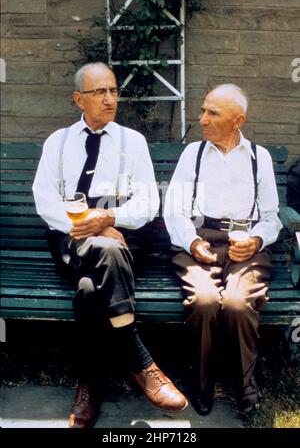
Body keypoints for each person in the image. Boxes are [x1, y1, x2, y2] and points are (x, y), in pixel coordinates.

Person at [33, 62, 187, 428]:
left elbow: (148, 203)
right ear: (78, 99)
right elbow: (44, 200)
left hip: (123, 235)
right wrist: (89, 225)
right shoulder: (58, 142)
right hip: (72, 239)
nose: (109, 99)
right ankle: (140, 359)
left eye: (113, 91)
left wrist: (111, 219)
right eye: (99, 92)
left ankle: (89, 384)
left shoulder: (132, 142)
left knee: (89, 290)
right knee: (106, 250)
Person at [164, 83, 282, 417]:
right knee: (203, 301)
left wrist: (256, 241)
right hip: (198, 240)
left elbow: (272, 216)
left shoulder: (259, 157)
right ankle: (200, 381)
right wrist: (191, 242)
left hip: (246, 244)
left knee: (236, 303)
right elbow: (174, 210)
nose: (202, 119)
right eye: (202, 110)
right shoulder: (194, 154)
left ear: (237, 120)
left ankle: (245, 383)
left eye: (212, 113)